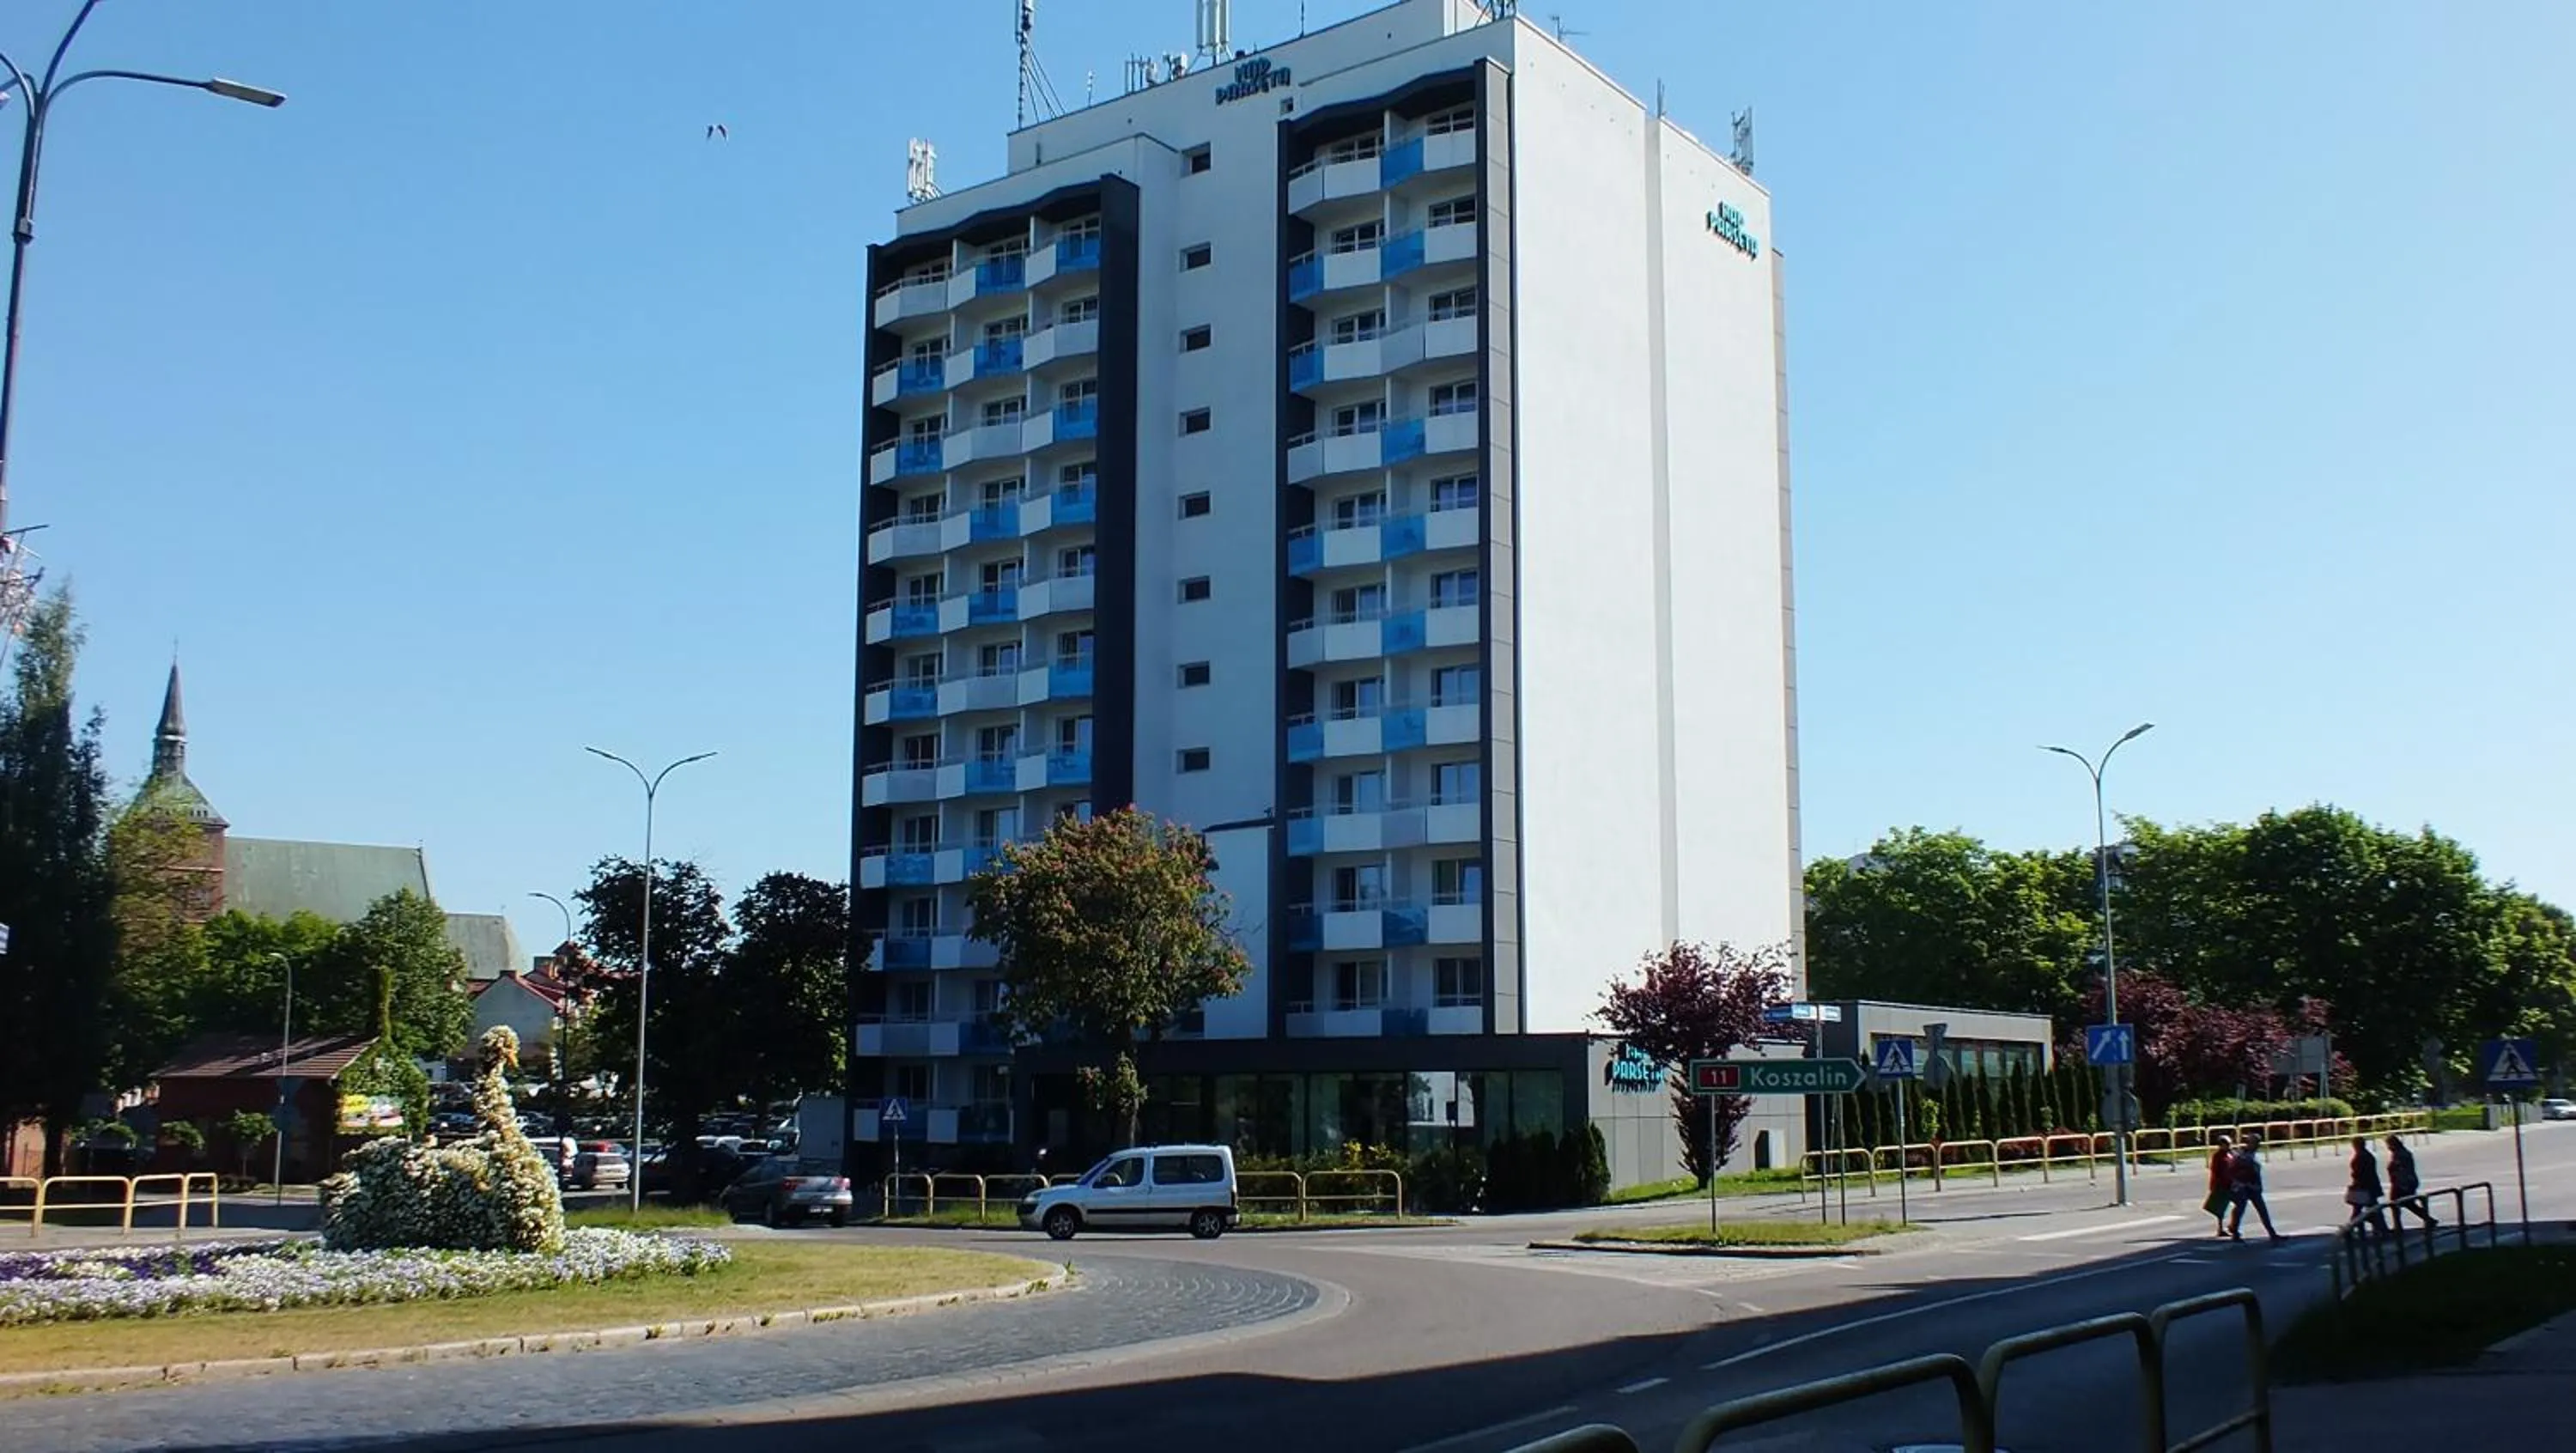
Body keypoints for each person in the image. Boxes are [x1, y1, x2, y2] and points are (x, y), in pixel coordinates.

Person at [2227, 1135, 2282, 1242]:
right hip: (2244, 1186)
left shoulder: (2251, 1154)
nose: (2257, 1145)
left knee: (2262, 1210)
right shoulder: (2242, 1155)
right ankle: (2234, 1231)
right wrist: (2239, 1183)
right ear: (2249, 1143)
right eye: (2255, 1143)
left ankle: (2272, 1233)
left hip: (2253, 1187)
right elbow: (2234, 1170)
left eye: (2258, 1143)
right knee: (2240, 1209)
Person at [2385, 1133, 2433, 1231]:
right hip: (2405, 1182)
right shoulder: (2401, 1153)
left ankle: (2398, 1226)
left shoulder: (2400, 1155)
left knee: (2397, 1204)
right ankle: (2428, 1219)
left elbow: (2402, 1170)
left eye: (2389, 1144)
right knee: (2407, 1204)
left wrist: (2402, 1183)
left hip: (2402, 1183)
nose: (2388, 1147)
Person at [2345, 1135, 2390, 1237]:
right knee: (2367, 1209)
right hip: (2370, 1186)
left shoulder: (2360, 1157)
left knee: (2359, 1211)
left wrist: (2354, 1182)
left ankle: (2352, 1230)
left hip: (2363, 1187)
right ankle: (2381, 1228)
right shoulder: (2368, 1155)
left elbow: (2358, 1173)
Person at [2203, 1133, 2237, 1237]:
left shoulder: (2231, 1154)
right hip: (2221, 1185)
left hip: (2230, 1184)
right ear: (2221, 1145)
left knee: (2239, 1203)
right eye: (2227, 1144)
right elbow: (2217, 1171)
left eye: (2230, 1144)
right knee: (2220, 1208)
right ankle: (2222, 1228)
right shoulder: (2218, 1156)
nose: (2229, 1146)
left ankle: (2232, 1226)